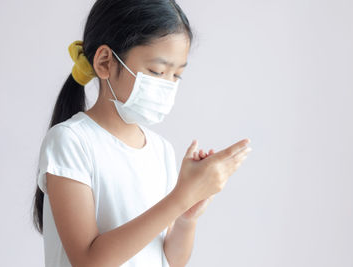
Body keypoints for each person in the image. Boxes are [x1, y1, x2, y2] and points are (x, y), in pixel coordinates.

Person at [32, 0, 252, 266]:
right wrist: (181, 197)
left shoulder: (161, 150)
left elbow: (171, 259)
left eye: (176, 75)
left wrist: (187, 213)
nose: (168, 85)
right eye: (157, 71)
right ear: (105, 62)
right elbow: (88, 261)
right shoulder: (71, 141)